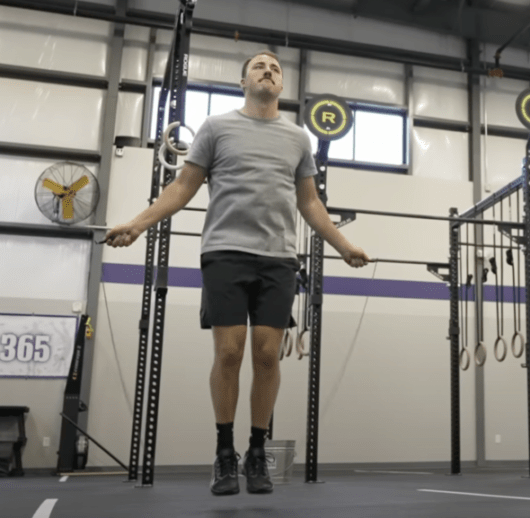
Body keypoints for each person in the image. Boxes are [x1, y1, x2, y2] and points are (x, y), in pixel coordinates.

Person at [103, 51, 370, 495]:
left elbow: (309, 203)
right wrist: (136, 224)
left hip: (279, 259)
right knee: (230, 352)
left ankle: (255, 452)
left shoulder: (298, 138)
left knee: (267, 355)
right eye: (259, 66)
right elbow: (183, 186)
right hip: (225, 253)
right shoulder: (216, 128)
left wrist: (343, 247)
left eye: (276, 68)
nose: (268, 70)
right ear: (242, 80)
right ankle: (225, 453)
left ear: (282, 85)